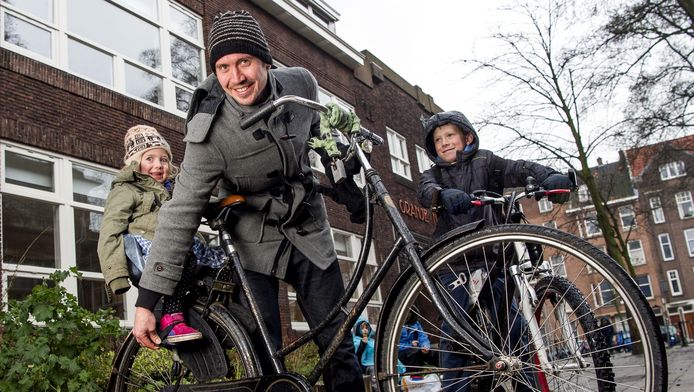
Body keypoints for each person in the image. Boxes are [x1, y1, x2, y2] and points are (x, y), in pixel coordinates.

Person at [131, 10, 364, 391]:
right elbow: (180, 213)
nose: (236, 78)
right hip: (252, 237)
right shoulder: (209, 132)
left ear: (266, 62)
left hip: (309, 229)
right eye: (223, 67)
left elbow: (321, 136)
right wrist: (147, 301)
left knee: (338, 344)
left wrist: (343, 180)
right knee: (263, 355)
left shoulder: (301, 84)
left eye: (245, 62)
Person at [417, 111, 573, 391]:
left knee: (513, 328)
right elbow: (425, 191)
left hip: (492, 259)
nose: (444, 142)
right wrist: (441, 195)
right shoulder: (433, 174)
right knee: (455, 332)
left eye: (450, 135)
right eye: (438, 139)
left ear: (467, 137)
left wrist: (548, 175)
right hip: (455, 263)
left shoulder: (486, 161)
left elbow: (519, 168)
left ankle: (529, 387)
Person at [98, 125, 225, 344]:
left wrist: (224, 205)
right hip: (149, 250)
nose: (158, 165)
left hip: (184, 245)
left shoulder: (174, 188)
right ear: (135, 163)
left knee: (223, 262)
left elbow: (199, 201)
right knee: (180, 255)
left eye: (163, 160)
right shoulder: (127, 190)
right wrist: (116, 276)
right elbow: (109, 232)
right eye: (150, 159)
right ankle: (171, 318)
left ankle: (219, 319)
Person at [398, 306, 438, 371]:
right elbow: (393, 345)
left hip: (416, 349)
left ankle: (443, 374)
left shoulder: (415, 324)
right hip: (400, 354)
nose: (406, 315)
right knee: (414, 352)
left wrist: (425, 346)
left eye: (408, 313)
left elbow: (423, 337)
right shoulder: (395, 326)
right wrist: (410, 345)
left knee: (434, 352)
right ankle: (413, 376)